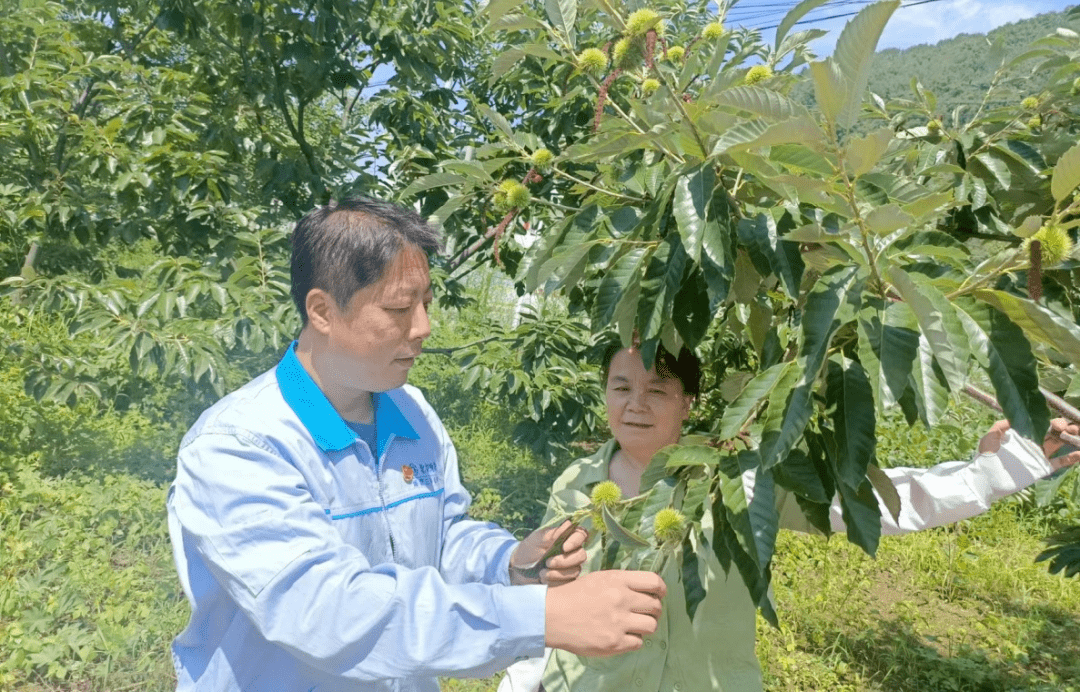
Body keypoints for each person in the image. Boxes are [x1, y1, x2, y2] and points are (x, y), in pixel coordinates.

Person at [166, 197, 667, 692]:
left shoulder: (411, 412)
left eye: (426, 303)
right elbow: (326, 612)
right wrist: (538, 617)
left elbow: (442, 538)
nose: (424, 328)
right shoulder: (242, 445)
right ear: (321, 310)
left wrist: (510, 563)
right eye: (400, 308)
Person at [507, 342, 1080, 692]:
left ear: (689, 404)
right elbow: (550, 598)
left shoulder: (739, 477)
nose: (635, 404)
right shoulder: (577, 487)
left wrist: (1005, 467)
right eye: (621, 386)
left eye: (658, 389)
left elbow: (878, 503)